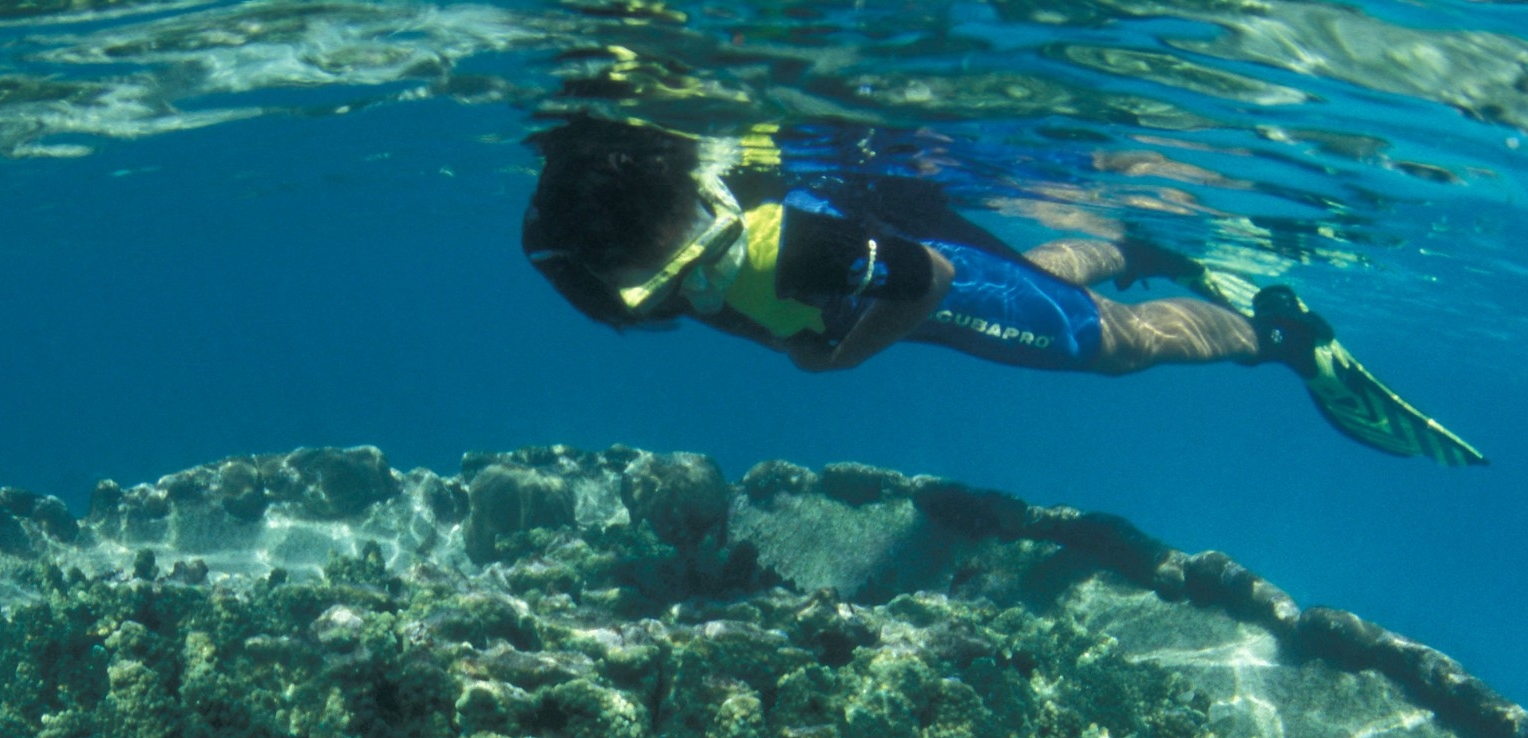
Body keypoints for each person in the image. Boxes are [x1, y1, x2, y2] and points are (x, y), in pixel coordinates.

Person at [522, 117, 1483, 466]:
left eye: (706, 263)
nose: (695, 296)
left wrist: (833, 358)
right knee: (1024, 287)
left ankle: (1279, 336)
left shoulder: (794, 246)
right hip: (880, 282)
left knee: (1107, 347)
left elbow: (930, 278)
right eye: (662, 294)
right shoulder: (579, 247)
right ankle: (1124, 239)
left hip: (896, 291)